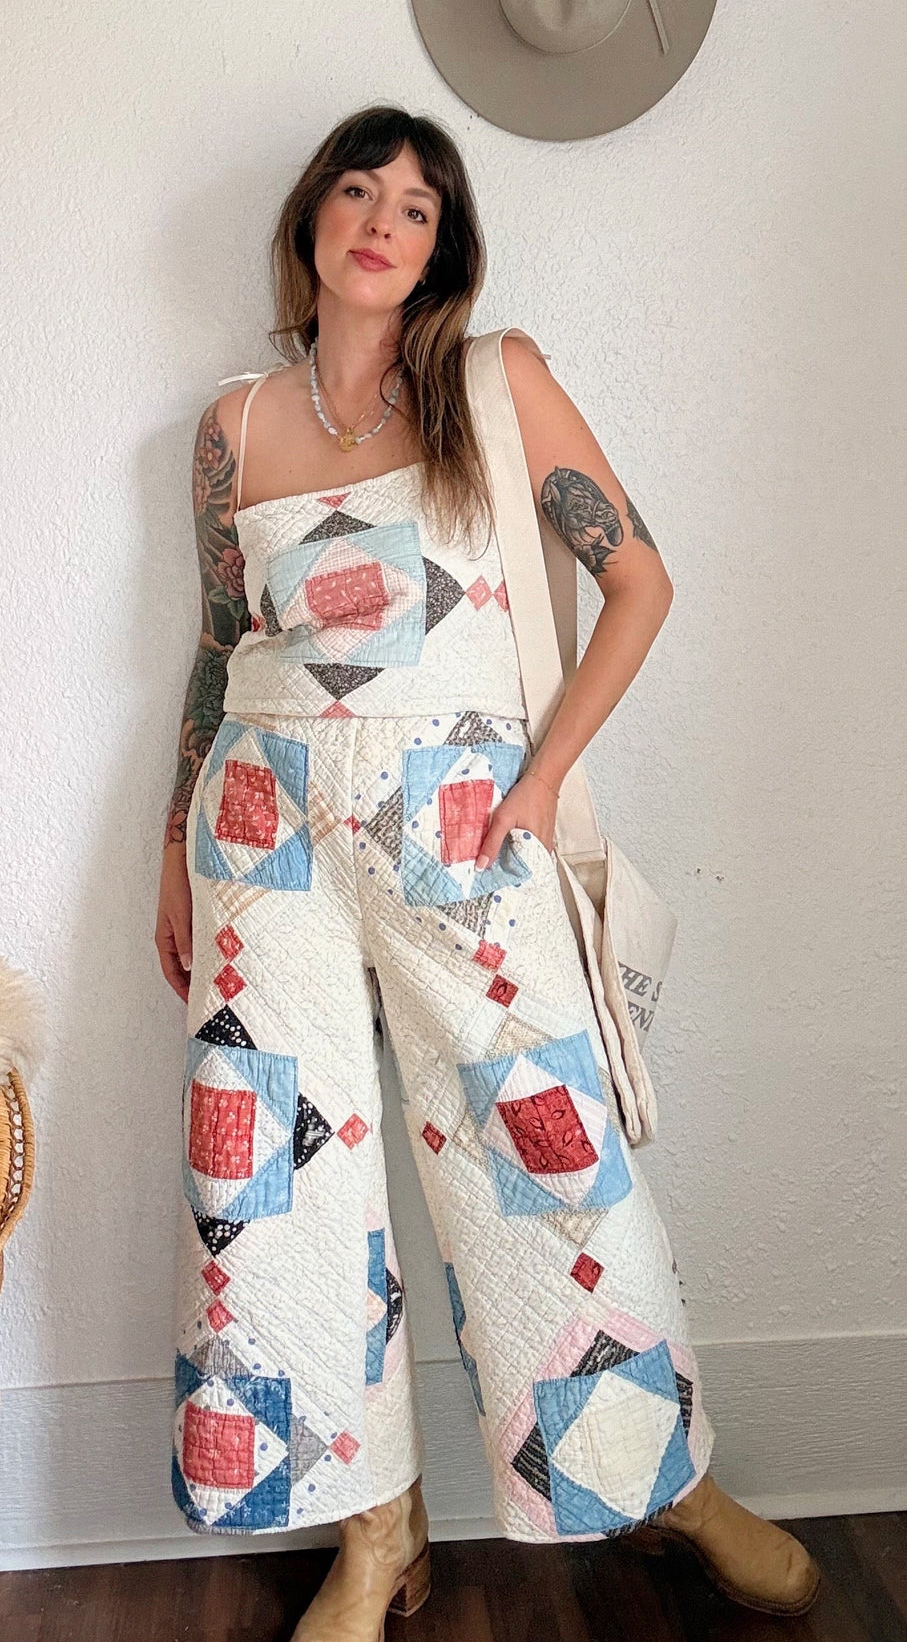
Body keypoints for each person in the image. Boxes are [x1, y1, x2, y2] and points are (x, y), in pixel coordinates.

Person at [156, 104, 821, 1635]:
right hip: (257, 836)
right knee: (267, 1196)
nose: (383, 222)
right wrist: (171, 852)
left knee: (549, 1159)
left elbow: (638, 581)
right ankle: (374, 1531)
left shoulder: (494, 384)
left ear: (442, 248)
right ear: (312, 220)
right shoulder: (232, 426)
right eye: (358, 190)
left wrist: (539, 781)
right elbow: (217, 644)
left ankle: (663, 1482)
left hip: (461, 833)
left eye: (418, 206)